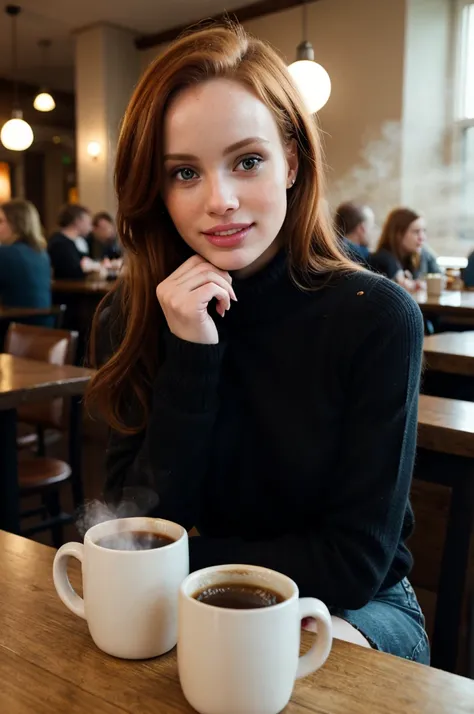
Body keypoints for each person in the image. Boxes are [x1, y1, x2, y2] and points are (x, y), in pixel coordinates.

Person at [87, 24, 428, 663]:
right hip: (192, 592)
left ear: (292, 161)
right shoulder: (134, 315)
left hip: (354, 605)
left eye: (247, 161)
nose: (220, 200)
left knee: (279, 673)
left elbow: (353, 561)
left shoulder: (376, 317)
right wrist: (193, 353)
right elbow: (134, 523)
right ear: (156, 190)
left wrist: (172, 564)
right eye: (185, 172)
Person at [0, 199, 52, 326]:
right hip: (43, 329)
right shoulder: (41, 253)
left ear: (17, 224)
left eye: (1, 221)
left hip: (15, 331)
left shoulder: (6, 253)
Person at [369, 208, 439, 291]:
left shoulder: (423, 255)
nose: (422, 237)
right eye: (416, 232)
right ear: (398, 234)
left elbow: (439, 277)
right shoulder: (381, 260)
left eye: (423, 231)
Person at [48, 204, 104, 279]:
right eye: (88, 222)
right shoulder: (60, 243)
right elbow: (73, 273)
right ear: (78, 221)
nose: (91, 227)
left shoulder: (78, 242)